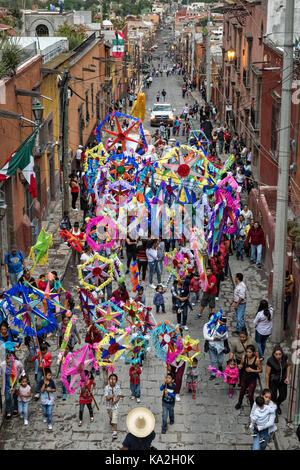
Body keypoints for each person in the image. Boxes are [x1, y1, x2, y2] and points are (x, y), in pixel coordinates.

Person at [265, 346, 291, 419]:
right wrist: (267, 386)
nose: (278, 356)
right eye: (276, 354)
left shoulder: (285, 357)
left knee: (283, 396)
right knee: (273, 397)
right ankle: (274, 413)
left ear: (282, 354)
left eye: (280, 354)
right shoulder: (270, 360)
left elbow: (288, 365)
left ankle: (277, 404)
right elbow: (267, 374)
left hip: (282, 380)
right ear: (273, 354)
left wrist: (287, 377)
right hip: (273, 381)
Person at [235, 345, 262, 409]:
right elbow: (241, 364)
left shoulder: (256, 360)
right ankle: (239, 402)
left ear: (253, 352)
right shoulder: (244, 357)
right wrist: (240, 366)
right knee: (242, 391)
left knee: (250, 395)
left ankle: (252, 408)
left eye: (250, 352)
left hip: (252, 379)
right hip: (244, 378)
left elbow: (261, 370)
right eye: (247, 352)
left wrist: (252, 370)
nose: (248, 353)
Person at [203, 313, 228, 380]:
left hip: (220, 346)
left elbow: (226, 335)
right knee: (213, 360)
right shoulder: (206, 325)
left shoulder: (221, 324)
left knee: (220, 360)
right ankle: (213, 374)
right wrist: (213, 339)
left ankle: (220, 365)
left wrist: (221, 338)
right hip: (211, 346)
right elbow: (205, 336)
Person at [0, 352, 25, 419]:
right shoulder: (2, 365)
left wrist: (21, 382)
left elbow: (22, 372)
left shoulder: (18, 364)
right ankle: (8, 411)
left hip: (16, 383)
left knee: (16, 396)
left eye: (10, 362)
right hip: (7, 384)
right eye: (7, 362)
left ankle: (15, 408)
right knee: (7, 398)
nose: (8, 364)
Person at [105, 373, 121, 439]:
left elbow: (119, 396)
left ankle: (115, 432)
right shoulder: (106, 388)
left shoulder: (117, 387)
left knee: (115, 419)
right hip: (108, 406)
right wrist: (111, 396)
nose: (112, 380)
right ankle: (111, 419)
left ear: (116, 381)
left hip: (115, 406)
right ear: (109, 380)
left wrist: (115, 401)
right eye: (111, 379)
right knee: (110, 415)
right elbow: (106, 398)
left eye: (114, 379)